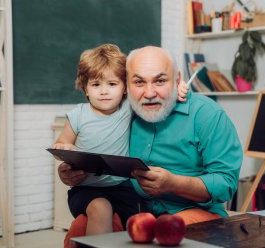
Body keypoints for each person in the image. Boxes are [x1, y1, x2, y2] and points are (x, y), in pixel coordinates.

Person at [55, 44, 189, 247]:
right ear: (85, 88)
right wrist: (65, 150)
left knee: (142, 222)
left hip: (124, 188)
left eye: (112, 84)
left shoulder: (128, 108)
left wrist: (176, 87)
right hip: (86, 190)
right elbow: (62, 143)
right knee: (101, 208)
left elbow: (154, 92)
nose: (104, 92)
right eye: (95, 84)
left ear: (125, 87)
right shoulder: (78, 115)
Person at [126, 46, 243, 222]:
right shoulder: (122, 113)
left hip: (195, 213)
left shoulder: (207, 115)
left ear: (177, 79)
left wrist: (173, 183)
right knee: (81, 230)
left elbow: (225, 183)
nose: (149, 93)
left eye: (160, 81)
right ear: (126, 84)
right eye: (139, 82)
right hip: (135, 211)